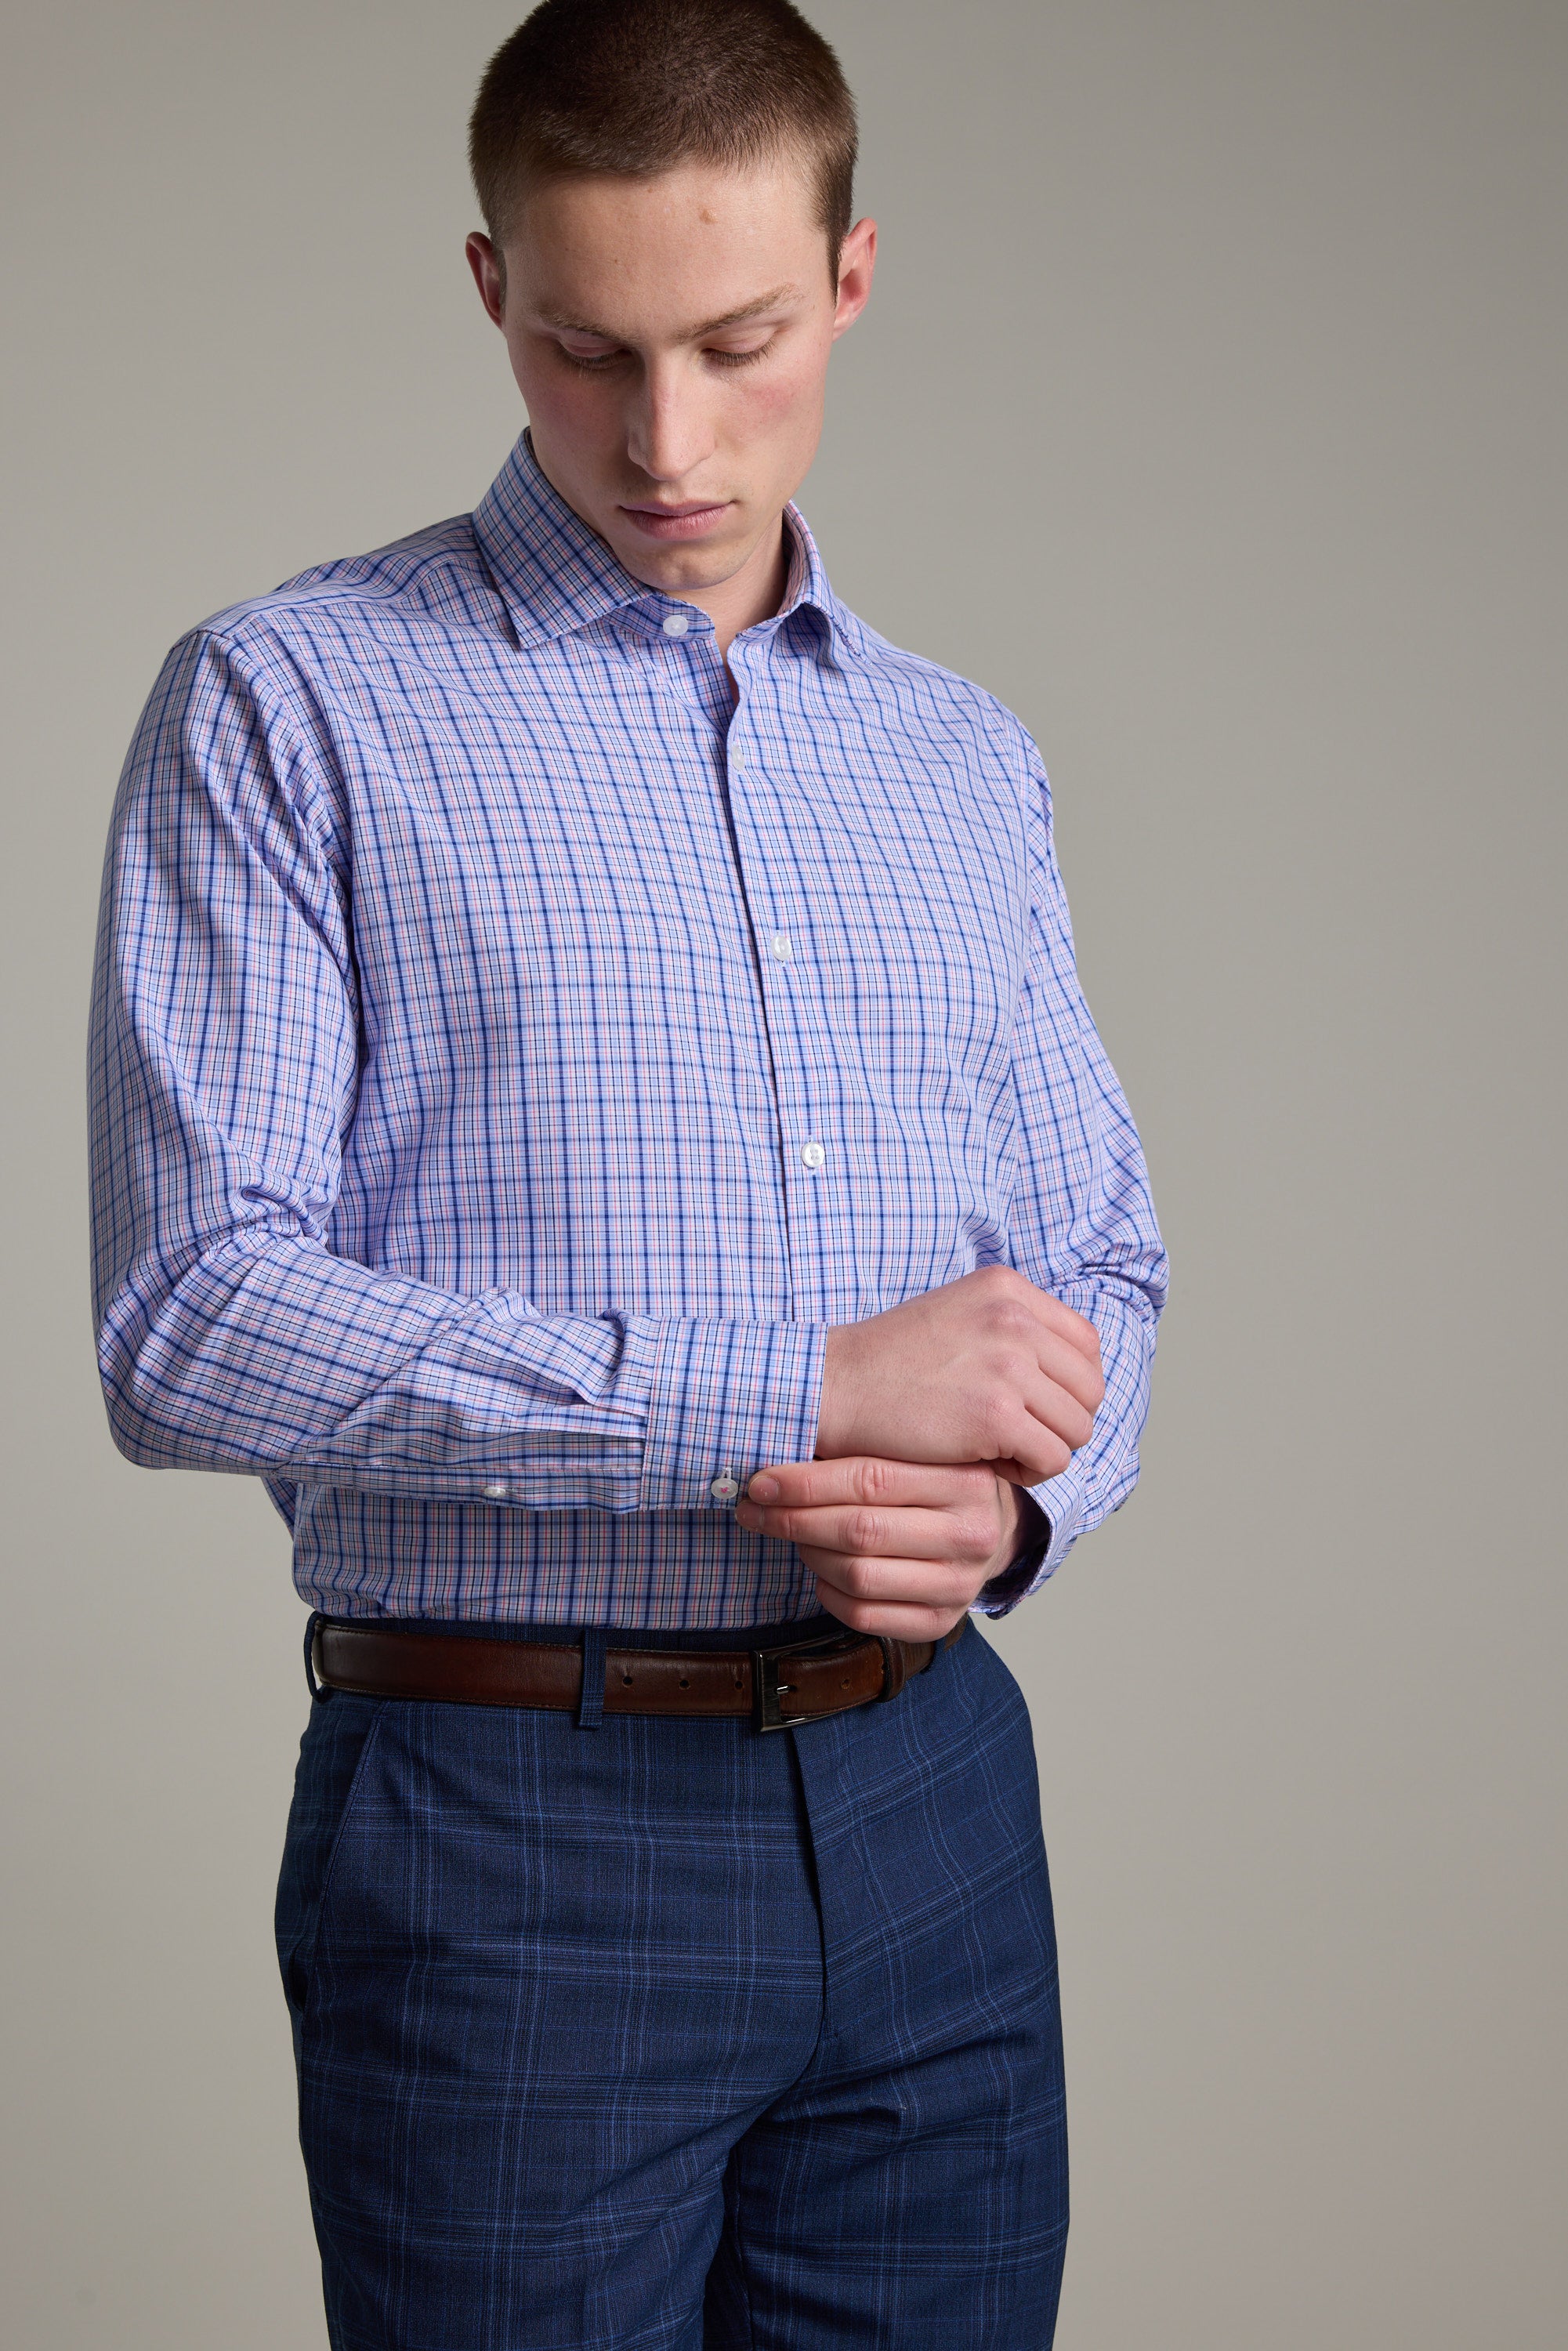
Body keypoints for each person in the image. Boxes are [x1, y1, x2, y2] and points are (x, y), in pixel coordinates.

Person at [88, 1, 1167, 2340]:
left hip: (933, 1807)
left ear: (850, 280)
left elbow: (1099, 1257)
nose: (666, 440)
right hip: (508, 1822)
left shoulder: (962, 762)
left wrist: (1012, 1514)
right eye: (585, 352)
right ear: (491, 291)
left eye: (737, 343)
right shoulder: (294, 704)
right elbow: (188, 1322)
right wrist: (796, 1389)